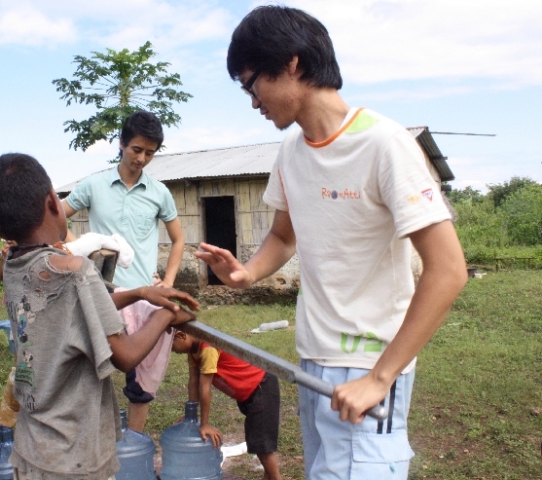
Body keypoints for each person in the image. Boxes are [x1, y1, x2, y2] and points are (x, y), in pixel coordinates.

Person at [195, 6, 468, 479]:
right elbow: (284, 236)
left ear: (291, 63)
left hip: (369, 365)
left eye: (252, 84)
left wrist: (380, 377)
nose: (253, 102)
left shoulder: (384, 144)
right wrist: (246, 272)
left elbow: (448, 269)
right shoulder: (291, 151)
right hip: (313, 361)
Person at [0, 152, 197, 480]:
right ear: (53, 201)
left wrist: (139, 293)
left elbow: (76, 308)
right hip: (74, 455)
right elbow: (124, 356)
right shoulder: (76, 271)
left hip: (32, 445)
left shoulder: (14, 265)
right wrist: (165, 316)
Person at [62, 110, 185, 432]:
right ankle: (88, 437)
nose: (142, 159)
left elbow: (178, 239)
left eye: (150, 153)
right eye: (137, 149)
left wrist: (168, 281)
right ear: (121, 144)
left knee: (141, 377)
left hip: (145, 295)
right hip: (102, 293)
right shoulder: (94, 185)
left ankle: (135, 440)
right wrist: (80, 246)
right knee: (88, 366)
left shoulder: (159, 192)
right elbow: (57, 217)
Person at [171, 330, 282, 480]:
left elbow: (205, 387)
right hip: (249, 393)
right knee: (259, 440)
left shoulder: (208, 348)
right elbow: (193, 381)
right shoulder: (193, 350)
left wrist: (204, 424)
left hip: (261, 386)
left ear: (181, 335)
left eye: (171, 345)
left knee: (262, 444)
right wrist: (190, 414)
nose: (171, 350)